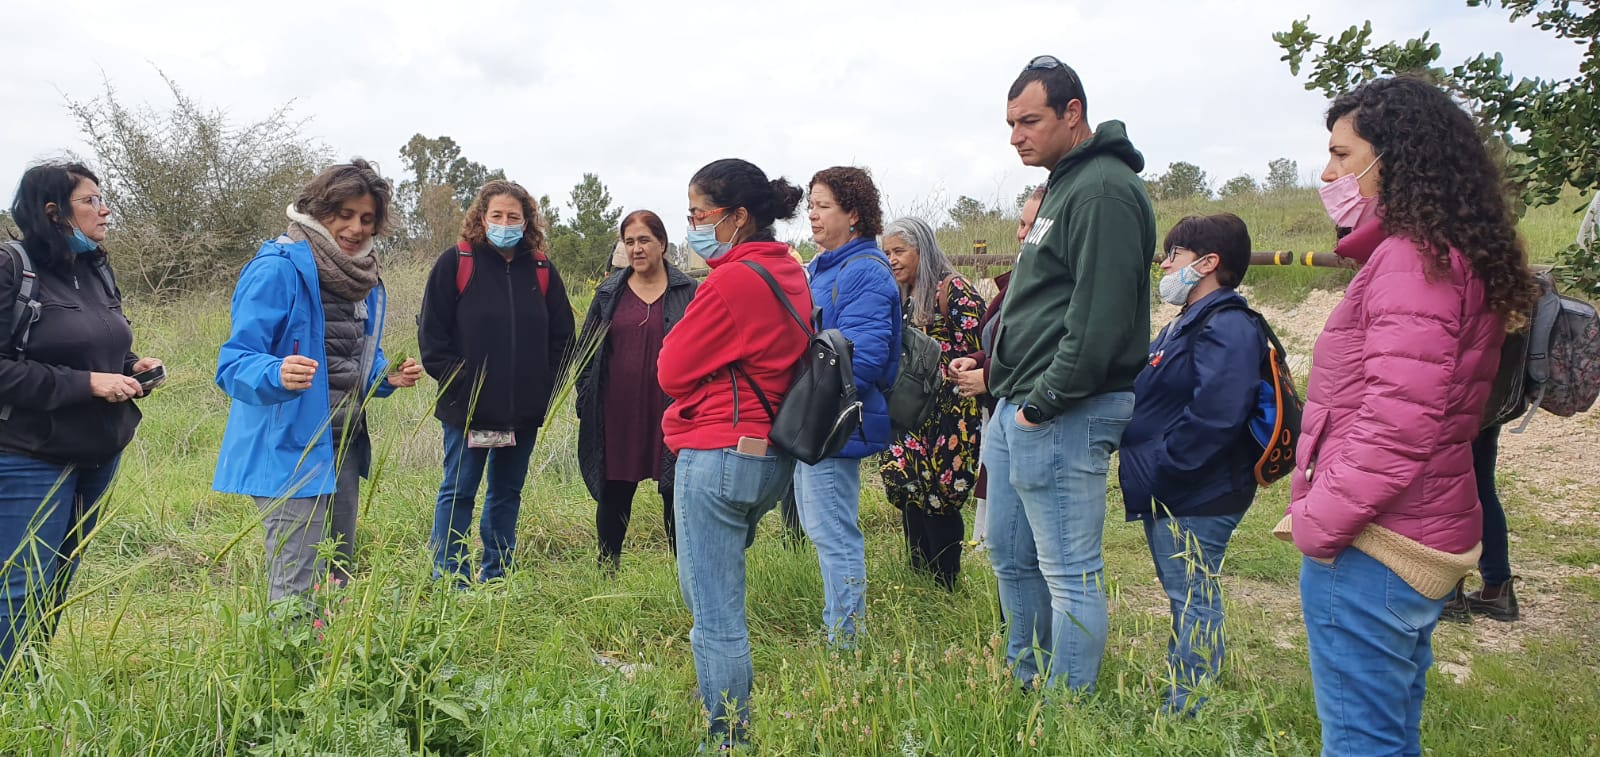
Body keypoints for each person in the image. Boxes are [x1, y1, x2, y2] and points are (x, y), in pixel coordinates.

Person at [1278, 76, 1538, 756]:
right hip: (1422, 526)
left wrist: (1319, 520)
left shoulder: (1409, 259)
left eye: (1342, 154)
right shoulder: (1452, 251)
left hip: (1376, 543)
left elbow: (1399, 421)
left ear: (1394, 156)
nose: (1329, 172)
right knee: (1392, 735)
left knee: (1362, 742)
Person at [983, 55, 1154, 693]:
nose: (1015, 136)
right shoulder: (1062, 183)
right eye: (1010, 123)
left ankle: (1068, 707)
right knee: (1010, 553)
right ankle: (1027, 677)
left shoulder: (1103, 189)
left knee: (1068, 570)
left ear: (1072, 113)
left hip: (1061, 409)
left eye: (1029, 120)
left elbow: (1099, 317)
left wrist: (1043, 403)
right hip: (1018, 406)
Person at [213, 159, 423, 605]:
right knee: (297, 585)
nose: (356, 228)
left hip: (343, 443)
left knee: (337, 574)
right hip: (290, 449)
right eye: (344, 214)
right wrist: (275, 372)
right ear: (316, 209)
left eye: (367, 219)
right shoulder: (277, 268)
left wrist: (384, 376)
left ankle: (328, 668)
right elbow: (234, 363)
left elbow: (349, 357)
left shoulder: (362, 278)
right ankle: (289, 672)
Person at [659, 158, 809, 750]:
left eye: (699, 214)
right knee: (718, 594)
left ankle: (727, 740)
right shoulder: (787, 271)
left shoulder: (728, 283)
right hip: (770, 457)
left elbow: (670, 370)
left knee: (715, 616)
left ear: (737, 217)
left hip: (719, 453)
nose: (692, 225)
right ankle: (722, 713)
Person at [0, 161, 160, 668]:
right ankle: (11, 694)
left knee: (60, 574)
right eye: (90, 200)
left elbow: (99, 346)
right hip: (29, 454)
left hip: (98, 451)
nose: (105, 209)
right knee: (21, 583)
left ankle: (33, 685)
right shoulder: (12, 268)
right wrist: (88, 383)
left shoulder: (93, 267)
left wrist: (134, 367)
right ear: (53, 213)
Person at [1117, 213, 1262, 715]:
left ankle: (1188, 709)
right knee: (1186, 595)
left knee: (1194, 597)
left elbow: (1217, 414)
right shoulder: (1189, 322)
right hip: (1178, 490)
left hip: (1198, 492)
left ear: (1207, 263)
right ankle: (1184, 692)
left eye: (1173, 255)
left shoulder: (1227, 325)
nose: (1164, 263)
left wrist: (1164, 466)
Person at [418, 180, 575, 584]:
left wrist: (544, 387)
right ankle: (450, 578)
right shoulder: (457, 263)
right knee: (459, 492)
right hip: (468, 411)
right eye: (497, 216)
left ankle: (497, 574)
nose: (505, 223)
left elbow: (563, 337)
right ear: (481, 218)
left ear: (527, 222)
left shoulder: (541, 270)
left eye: (514, 217)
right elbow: (432, 338)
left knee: (507, 494)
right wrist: (464, 384)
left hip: (521, 412)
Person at [796, 166, 900, 644]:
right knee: (823, 529)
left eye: (824, 206)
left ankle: (846, 638)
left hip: (831, 420)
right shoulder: (824, 266)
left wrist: (804, 385)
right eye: (811, 205)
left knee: (835, 532)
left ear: (853, 214)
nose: (813, 215)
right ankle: (838, 626)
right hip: (810, 416)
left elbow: (868, 354)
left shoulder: (865, 271)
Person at [576, 210, 697, 571]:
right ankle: (606, 569)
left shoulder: (688, 292)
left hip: (671, 411)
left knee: (676, 492)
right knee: (614, 491)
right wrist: (586, 399)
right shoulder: (609, 293)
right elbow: (584, 355)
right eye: (629, 242)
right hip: (618, 412)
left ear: (662, 243)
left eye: (644, 240)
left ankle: (684, 575)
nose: (636, 249)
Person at [879, 216, 986, 589]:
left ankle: (945, 582)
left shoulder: (953, 290)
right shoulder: (899, 295)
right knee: (908, 485)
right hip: (909, 411)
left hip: (950, 412)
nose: (892, 259)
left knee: (943, 491)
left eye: (899, 251)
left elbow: (979, 349)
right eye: (887, 252)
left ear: (922, 250)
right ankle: (919, 574)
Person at [951, 185, 1045, 549]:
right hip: (1001, 405)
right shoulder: (1021, 276)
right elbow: (1000, 339)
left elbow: (1036, 350)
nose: (1021, 233)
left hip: (1026, 409)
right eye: (1020, 224)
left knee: (1022, 539)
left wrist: (987, 376)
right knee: (1003, 541)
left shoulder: (1048, 284)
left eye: (1031, 225)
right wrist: (974, 361)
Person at [1442, 425, 1519, 621]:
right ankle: (1497, 590)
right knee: (1481, 486)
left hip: (1451, 405)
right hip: (1491, 402)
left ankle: (1447, 595)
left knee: (1444, 486)